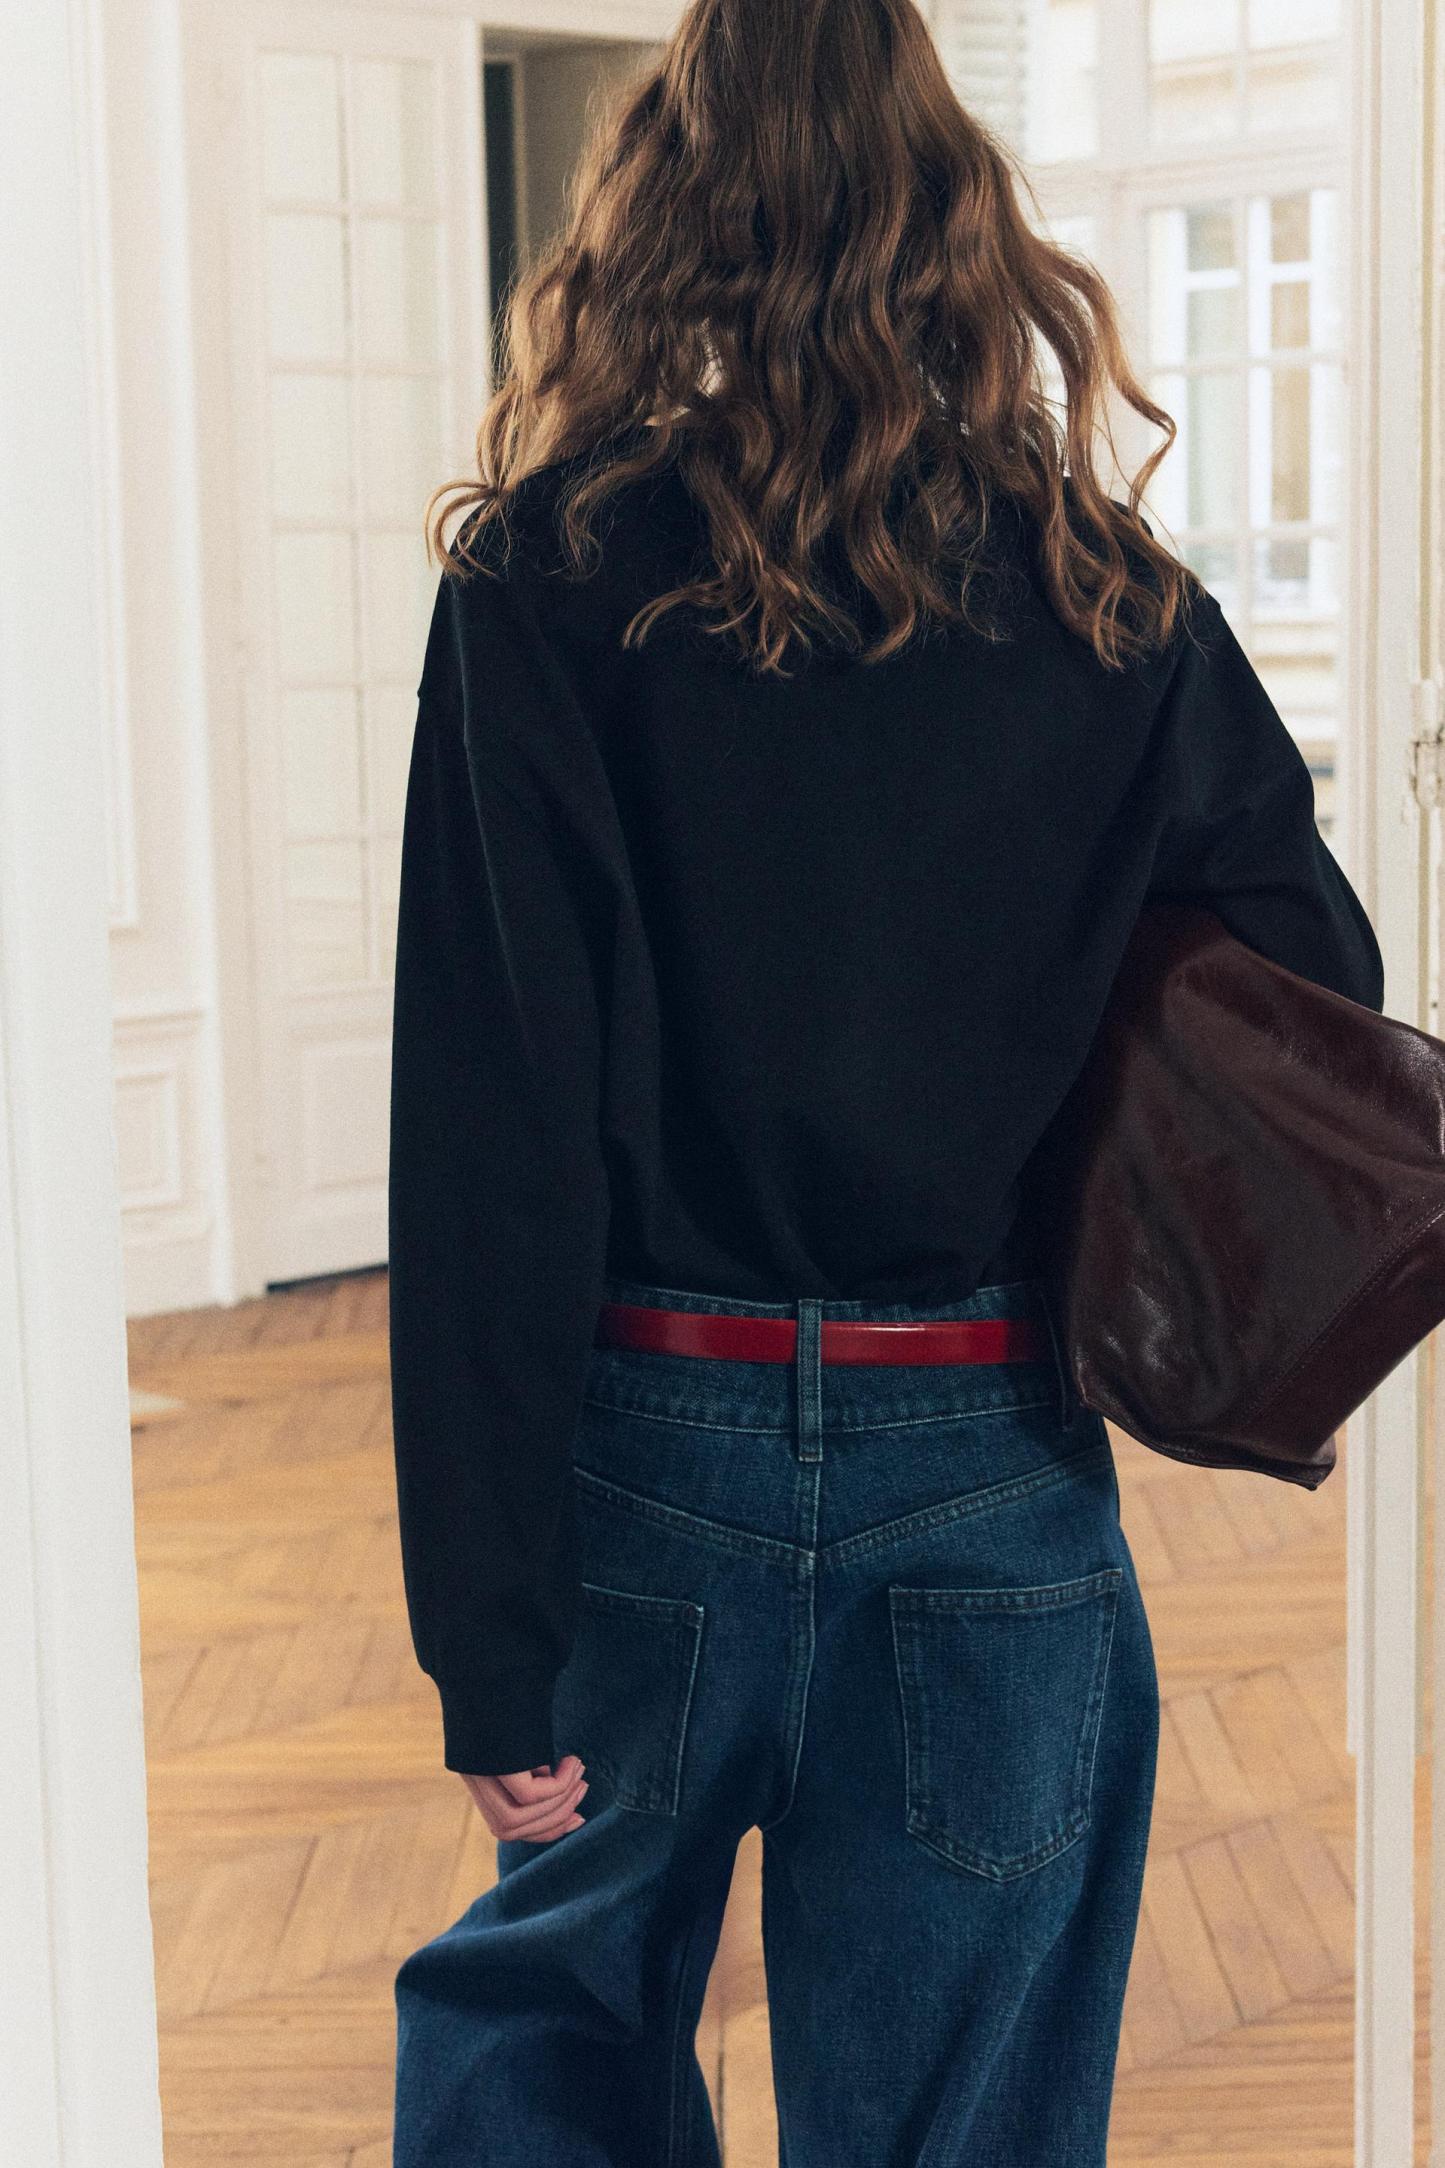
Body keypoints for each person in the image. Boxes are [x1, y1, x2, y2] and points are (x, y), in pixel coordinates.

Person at [385, 2, 1385, 2161]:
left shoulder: (545, 584)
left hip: (640, 1459)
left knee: (539, 2061)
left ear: (660, 214)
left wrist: (486, 1634)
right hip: (986, 1455)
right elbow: (1314, 988)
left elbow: (489, 1138)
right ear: (956, 224)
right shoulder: (1108, 601)